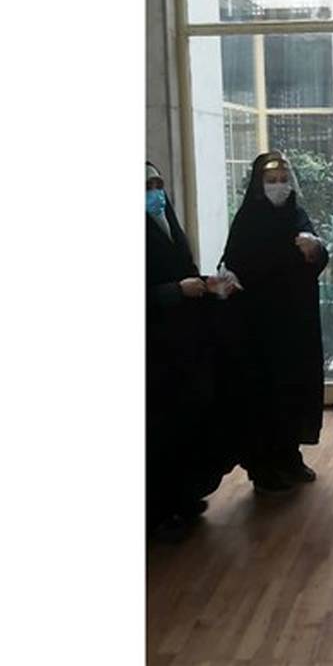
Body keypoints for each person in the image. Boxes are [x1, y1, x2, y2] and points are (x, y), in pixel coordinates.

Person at [220, 151, 329, 494]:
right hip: (262, 328)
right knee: (265, 397)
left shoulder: (297, 214)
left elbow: (318, 257)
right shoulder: (248, 221)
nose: (279, 187)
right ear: (258, 185)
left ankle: (290, 456)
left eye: (283, 180)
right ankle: (264, 468)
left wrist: (314, 249)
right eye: (271, 181)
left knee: (294, 390)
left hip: (296, 323)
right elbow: (234, 263)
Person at [145, 162, 231, 541]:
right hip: (153, 349)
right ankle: (157, 512)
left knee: (186, 424)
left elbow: (184, 268)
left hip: (181, 344)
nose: (155, 192)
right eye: (147, 186)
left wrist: (204, 284)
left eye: (158, 183)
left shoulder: (167, 222)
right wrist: (175, 291)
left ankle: (183, 497)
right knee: (159, 433)